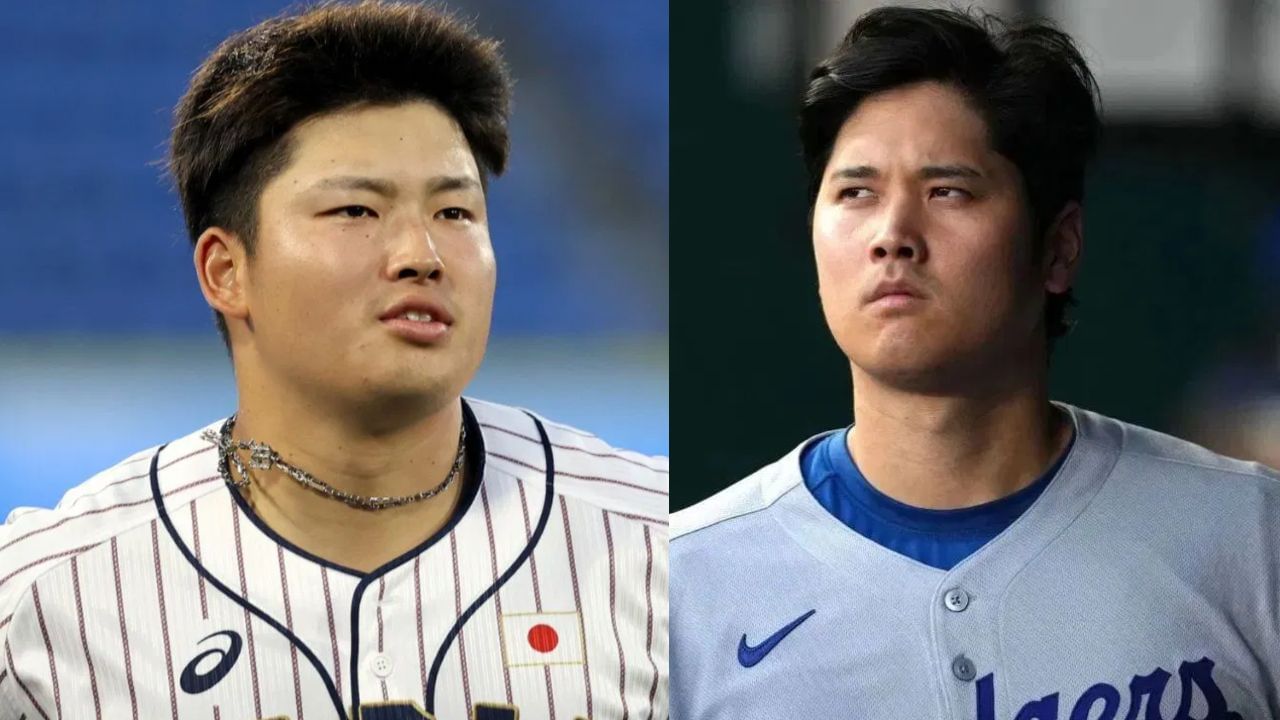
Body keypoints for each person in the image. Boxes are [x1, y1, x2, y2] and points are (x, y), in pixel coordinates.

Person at [0, 3, 667, 718]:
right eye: (356, 211)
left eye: (456, 213)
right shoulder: (45, 602)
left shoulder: (659, 548)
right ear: (226, 270)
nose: (422, 257)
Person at [671, 7, 1278, 719]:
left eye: (946, 191)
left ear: (1057, 248)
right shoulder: (681, 587)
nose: (893, 235)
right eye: (855, 193)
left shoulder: (1250, 537)